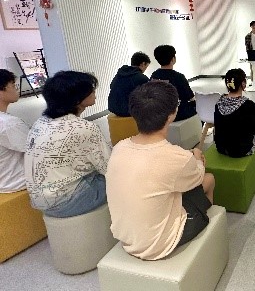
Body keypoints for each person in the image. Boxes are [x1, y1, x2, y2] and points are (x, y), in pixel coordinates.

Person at [106, 81, 215, 260]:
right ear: (172, 114)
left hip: (126, 238)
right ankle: (204, 226)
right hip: (159, 244)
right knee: (209, 179)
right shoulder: (177, 157)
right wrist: (197, 157)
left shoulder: (119, 147)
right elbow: (198, 177)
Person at [24, 71, 111, 218]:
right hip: (67, 201)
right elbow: (108, 168)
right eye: (90, 90)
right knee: (126, 177)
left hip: (39, 199)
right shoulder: (84, 128)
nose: (95, 93)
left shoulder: (40, 123)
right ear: (77, 99)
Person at [214, 68, 255, 168]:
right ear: (243, 84)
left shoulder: (219, 103)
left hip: (221, 148)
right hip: (240, 151)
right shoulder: (248, 105)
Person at [150, 45, 197, 122]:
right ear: (173, 59)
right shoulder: (178, 77)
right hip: (176, 113)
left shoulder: (154, 75)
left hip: (159, 112)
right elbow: (189, 97)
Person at [0, 69, 29, 193]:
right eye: (13, 85)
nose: (16, 89)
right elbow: (35, 150)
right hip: (15, 182)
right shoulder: (9, 123)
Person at [107, 51, 150, 117]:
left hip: (113, 107)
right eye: (146, 66)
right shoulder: (142, 78)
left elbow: (111, 86)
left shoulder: (119, 74)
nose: (145, 69)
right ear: (143, 64)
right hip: (128, 111)